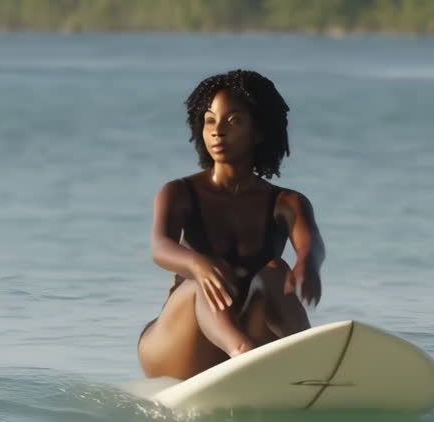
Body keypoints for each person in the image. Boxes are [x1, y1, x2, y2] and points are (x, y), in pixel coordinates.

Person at [138, 70, 325, 380]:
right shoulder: (179, 192)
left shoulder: (288, 202)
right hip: (181, 344)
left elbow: (311, 243)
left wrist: (308, 264)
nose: (217, 132)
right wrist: (197, 263)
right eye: (210, 121)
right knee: (199, 279)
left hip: (248, 328)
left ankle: (310, 363)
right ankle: (243, 353)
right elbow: (160, 248)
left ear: (259, 131)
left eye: (233, 121)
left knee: (276, 270)